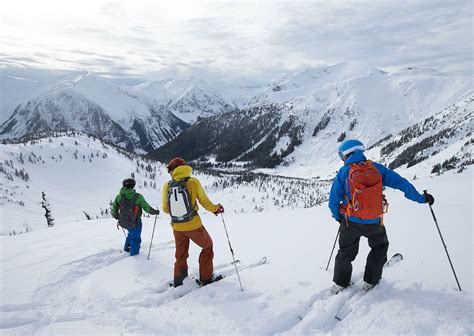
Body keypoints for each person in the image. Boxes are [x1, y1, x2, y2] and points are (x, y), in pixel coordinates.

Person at [328, 139, 434, 293]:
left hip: (349, 221)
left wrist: (338, 216)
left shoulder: (344, 172)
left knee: (345, 251)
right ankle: (370, 281)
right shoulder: (376, 168)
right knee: (380, 247)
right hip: (374, 222)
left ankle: (340, 283)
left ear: (346, 154)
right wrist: (421, 198)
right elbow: (401, 183)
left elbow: (333, 200)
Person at [162, 157, 224, 287]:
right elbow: (204, 201)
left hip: (177, 227)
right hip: (193, 225)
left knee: (181, 253)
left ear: (172, 171)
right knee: (207, 246)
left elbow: (166, 209)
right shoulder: (193, 182)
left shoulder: (167, 186)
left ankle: (179, 280)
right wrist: (216, 209)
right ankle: (206, 278)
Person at [112, 178, 159, 256]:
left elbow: (114, 209)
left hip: (124, 222)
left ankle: (127, 249)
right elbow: (147, 208)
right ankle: (134, 256)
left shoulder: (119, 197)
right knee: (136, 238)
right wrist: (155, 212)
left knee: (130, 234)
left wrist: (116, 216)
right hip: (135, 222)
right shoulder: (138, 197)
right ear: (133, 186)